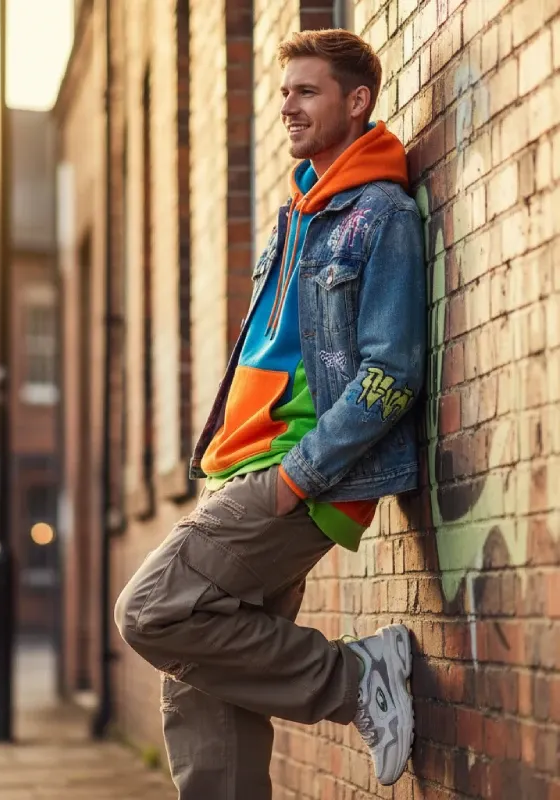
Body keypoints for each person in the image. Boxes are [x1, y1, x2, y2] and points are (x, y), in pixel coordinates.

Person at [115, 28, 426, 799]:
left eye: (307, 90)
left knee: (153, 612)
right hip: (244, 467)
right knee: (204, 690)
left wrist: (299, 474)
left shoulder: (379, 214)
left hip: (299, 471)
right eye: (284, 90)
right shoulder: (298, 214)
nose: (286, 104)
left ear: (357, 103)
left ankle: (356, 677)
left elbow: (393, 373)